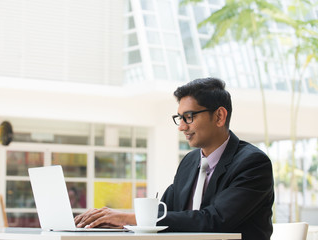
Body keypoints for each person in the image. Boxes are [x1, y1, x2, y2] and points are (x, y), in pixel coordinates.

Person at [74, 78, 274, 240]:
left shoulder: (253, 163)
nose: (181, 127)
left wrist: (129, 218)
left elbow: (214, 220)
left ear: (219, 116)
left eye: (189, 117)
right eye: (179, 118)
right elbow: (165, 212)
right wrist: (115, 221)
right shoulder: (189, 162)